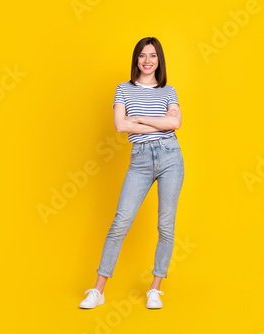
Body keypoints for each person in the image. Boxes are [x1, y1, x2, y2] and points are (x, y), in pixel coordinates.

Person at [79, 37, 184, 309]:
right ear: (136, 59)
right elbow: (120, 126)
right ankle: (98, 290)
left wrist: (139, 119)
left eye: (152, 56)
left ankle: (155, 288)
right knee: (121, 221)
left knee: (166, 224)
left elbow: (176, 122)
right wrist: (158, 124)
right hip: (140, 160)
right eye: (142, 55)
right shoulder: (123, 89)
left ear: (159, 60)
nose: (147, 61)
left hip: (170, 156)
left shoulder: (169, 90)